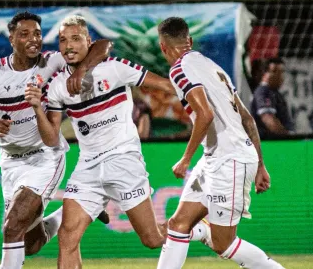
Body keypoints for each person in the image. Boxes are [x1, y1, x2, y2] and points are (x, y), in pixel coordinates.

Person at [24, 15, 210, 269]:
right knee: (67, 237)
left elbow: (166, 85)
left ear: (89, 42)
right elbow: (51, 137)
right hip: (88, 167)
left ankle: (199, 230)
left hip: (124, 161)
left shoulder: (115, 67)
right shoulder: (57, 87)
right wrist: (37, 109)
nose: (68, 45)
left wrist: (207, 101)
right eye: (63, 40)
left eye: (76, 39)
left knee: (153, 239)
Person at [0, 11, 111, 269]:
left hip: (45, 156)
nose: (34, 39)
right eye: (25, 34)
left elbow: (102, 45)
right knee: (30, 245)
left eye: (38, 34)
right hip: (11, 163)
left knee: (11, 227)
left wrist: (81, 72)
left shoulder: (52, 61)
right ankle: (81, 206)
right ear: (11, 38)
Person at [156, 17, 285, 269]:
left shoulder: (178, 69)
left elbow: (205, 114)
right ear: (189, 41)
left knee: (223, 243)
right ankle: (201, 232)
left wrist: (185, 159)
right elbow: (247, 119)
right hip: (219, 156)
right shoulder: (212, 66)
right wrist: (260, 164)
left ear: (163, 47)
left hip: (230, 159)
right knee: (178, 225)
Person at [250, 57, 294, 138]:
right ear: (267, 73)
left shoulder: (273, 92)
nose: (281, 77)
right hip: (272, 143)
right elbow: (268, 119)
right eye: (278, 73)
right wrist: (288, 137)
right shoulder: (263, 91)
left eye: (282, 73)